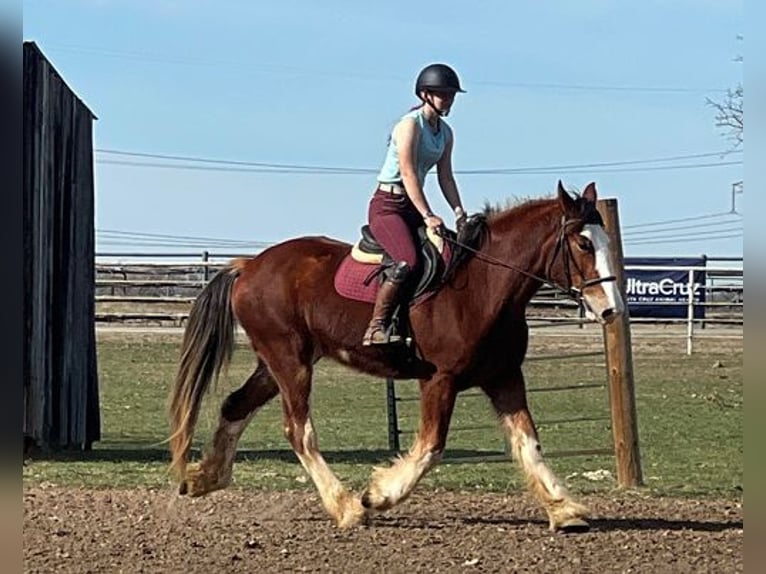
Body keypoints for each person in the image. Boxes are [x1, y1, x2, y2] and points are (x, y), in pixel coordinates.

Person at [362, 63, 468, 346]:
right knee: (407, 259)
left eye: (451, 95)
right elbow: (408, 173)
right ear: (425, 94)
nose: (448, 99)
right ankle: (376, 326)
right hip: (388, 205)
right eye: (442, 94)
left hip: (412, 206)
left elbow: (445, 176)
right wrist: (429, 214)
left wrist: (459, 212)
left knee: (446, 255)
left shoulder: (445, 133)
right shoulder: (409, 125)